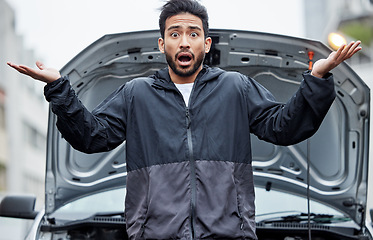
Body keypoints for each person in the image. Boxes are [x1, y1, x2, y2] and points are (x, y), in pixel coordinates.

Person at [7, 0, 361, 239]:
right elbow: (91, 136)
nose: (184, 41)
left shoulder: (236, 88)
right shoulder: (136, 94)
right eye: (175, 34)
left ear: (206, 43)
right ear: (162, 44)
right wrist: (59, 88)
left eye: (193, 33)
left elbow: (283, 126)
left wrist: (316, 79)